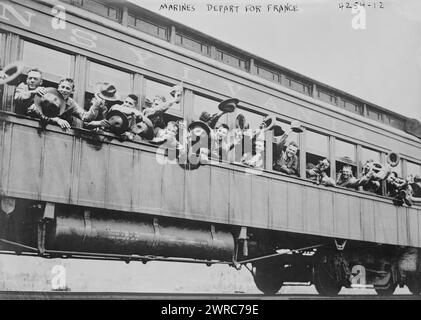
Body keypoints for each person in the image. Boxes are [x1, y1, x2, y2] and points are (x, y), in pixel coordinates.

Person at [27, 78, 99, 131]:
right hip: (35, 128)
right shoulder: (48, 94)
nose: (64, 90)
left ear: (72, 91)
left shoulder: (71, 103)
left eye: (67, 88)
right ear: (58, 87)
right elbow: (34, 109)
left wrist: (96, 105)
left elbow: (85, 117)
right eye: (62, 87)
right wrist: (57, 120)